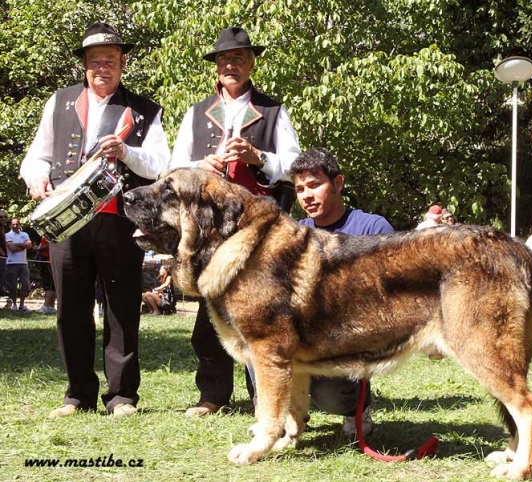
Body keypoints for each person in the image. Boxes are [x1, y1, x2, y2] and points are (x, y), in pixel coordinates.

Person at [20, 22, 170, 418]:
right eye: (94, 61)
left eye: (109, 60)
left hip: (118, 218)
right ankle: (78, 394)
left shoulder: (144, 110)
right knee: (70, 307)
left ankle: (122, 396)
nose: (101, 67)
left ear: (123, 63)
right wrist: (37, 179)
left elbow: (160, 165)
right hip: (67, 222)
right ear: (84, 66)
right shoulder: (60, 102)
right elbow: (37, 155)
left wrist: (126, 152)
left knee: (122, 307)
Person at [169, 27, 301, 417]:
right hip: (208, 227)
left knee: (261, 306)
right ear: (216, 65)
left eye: (239, 58)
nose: (231, 65)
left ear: (251, 63)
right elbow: (172, 168)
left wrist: (258, 158)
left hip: (258, 226)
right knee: (211, 304)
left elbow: (295, 167)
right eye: (225, 59)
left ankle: (264, 393)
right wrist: (200, 167)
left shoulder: (274, 110)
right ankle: (212, 393)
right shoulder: (196, 112)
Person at [289, 147, 395, 436]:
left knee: (333, 399)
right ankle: (288, 419)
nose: (306, 196)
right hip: (304, 336)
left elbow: (389, 291)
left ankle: (356, 408)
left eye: (314, 185)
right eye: (299, 189)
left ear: (337, 183)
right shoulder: (295, 233)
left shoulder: (373, 227)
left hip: (350, 339)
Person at [5, 218, 32, 312]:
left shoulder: (25, 234)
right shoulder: (7, 235)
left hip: (23, 263)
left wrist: (17, 245)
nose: (15, 226)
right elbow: (12, 248)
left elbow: (29, 245)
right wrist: (23, 246)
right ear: (10, 225)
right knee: (12, 285)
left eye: (17, 224)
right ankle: (14, 304)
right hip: (11, 263)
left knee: (25, 285)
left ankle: (22, 305)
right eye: (13, 224)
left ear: (19, 224)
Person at [36, 235, 57, 314]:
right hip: (47, 261)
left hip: (50, 261)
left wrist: (38, 248)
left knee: (50, 285)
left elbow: (50, 245)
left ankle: (46, 305)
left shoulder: (51, 236)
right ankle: (51, 306)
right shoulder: (45, 236)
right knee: (52, 285)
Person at [0, 209, 8, 300]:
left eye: (5, 216)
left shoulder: (5, 228)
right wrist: (2, 253)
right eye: (1, 217)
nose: (3, 218)